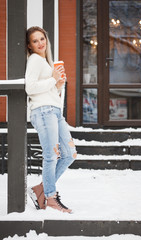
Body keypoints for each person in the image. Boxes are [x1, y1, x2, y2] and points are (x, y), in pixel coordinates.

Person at [25, 26, 77, 213]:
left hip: (55, 112)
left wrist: (58, 85)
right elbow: (30, 88)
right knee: (51, 156)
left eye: (42, 38)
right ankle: (50, 197)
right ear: (29, 46)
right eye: (35, 41)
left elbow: (49, 91)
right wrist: (52, 80)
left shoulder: (45, 62)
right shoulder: (34, 60)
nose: (40, 43)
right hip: (44, 112)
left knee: (70, 153)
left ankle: (41, 189)